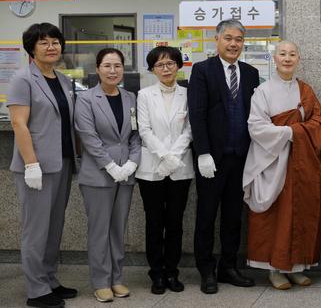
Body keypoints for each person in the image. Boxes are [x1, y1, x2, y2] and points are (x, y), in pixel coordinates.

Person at [243, 41, 321, 290]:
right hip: (273, 161)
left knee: (301, 212)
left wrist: (294, 131)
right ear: (274, 58)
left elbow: (318, 120)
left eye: (292, 54)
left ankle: (296, 267)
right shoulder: (263, 91)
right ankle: (274, 269)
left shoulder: (305, 90)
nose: (287, 58)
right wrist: (290, 132)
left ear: (298, 59)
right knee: (276, 215)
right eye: (282, 54)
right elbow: (256, 127)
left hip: (303, 162)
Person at [8, 23, 78, 308]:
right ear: (32, 48)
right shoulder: (22, 79)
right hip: (35, 167)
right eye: (44, 43)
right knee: (36, 229)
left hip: (61, 162)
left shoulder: (62, 79)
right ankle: (36, 290)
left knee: (54, 227)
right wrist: (31, 164)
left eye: (55, 42)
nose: (51, 47)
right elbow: (18, 123)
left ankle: (49, 279)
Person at [187, 19, 259, 294]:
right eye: (228, 38)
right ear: (216, 40)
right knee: (206, 214)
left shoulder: (251, 73)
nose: (233, 44)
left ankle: (228, 266)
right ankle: (206, 269)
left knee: (233, 216)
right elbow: (197, 113)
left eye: (238, 39)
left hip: (241, 156)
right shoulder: (202, 70)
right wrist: (203, 152)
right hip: (211, 159)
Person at [74, 48, 141, 303]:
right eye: (107, 66)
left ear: (123, 69)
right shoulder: (87, 99)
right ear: (98, 69)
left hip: (126, 174)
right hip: (98, 175)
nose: (113, 71)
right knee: (99, 229)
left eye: (117, 66)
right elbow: (88, 137)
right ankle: (100, 281)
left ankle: (116, 278)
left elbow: (136, 136)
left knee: (117, 228)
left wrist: (131, 164)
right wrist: (110, 165)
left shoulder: (130, 98)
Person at [135, 46, 194, 294]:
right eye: (160, 65)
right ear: (152, 69)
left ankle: (172, 272)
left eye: (170, 63)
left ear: (178, 65)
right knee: (154, 221)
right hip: (152, 168)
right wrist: (163, 155)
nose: (166, 68)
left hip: (180, 167)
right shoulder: (144, 94)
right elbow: (144, 129)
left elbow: (190, 129)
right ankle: (156, 274)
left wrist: (174, 156)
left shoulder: (189, 94)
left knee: (175, 223)